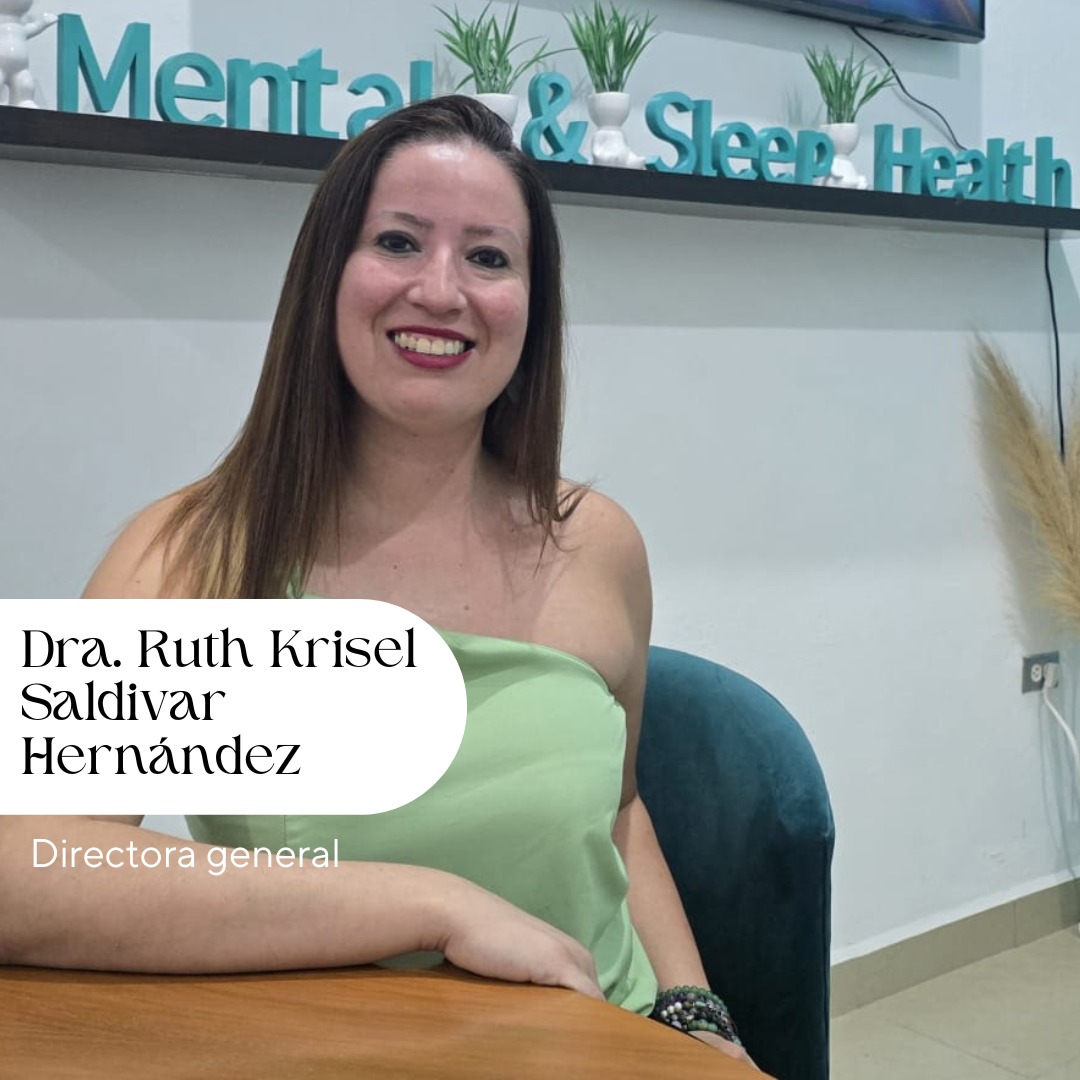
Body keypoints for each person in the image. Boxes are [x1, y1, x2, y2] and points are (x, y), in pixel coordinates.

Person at [0, 95, 753, 1067]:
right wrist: (433, 905)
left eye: (488, 257)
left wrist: (695, 1015)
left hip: (604, 1046)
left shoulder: (599, 544)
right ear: (327, 276)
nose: (442, 290)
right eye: (399, 242)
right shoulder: (193, 553)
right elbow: (30, 869)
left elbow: (619, 810)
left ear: (533, 305)